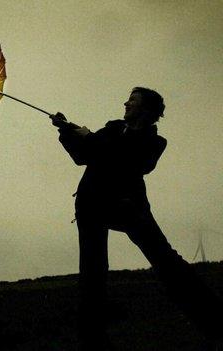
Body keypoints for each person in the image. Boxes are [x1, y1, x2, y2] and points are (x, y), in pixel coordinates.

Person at [50, 87, 222, 350]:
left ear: (148, 110)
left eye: (132, 100)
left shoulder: (154, 142)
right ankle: (92, 339)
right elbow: (83, 156)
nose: (126, 103)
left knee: (166, 261)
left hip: (129, 208)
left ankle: (214, 320)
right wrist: (66, 131)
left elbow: (130, 162)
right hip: (91, 206)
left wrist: (90, 138)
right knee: (93, 272)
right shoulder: (112, 129)